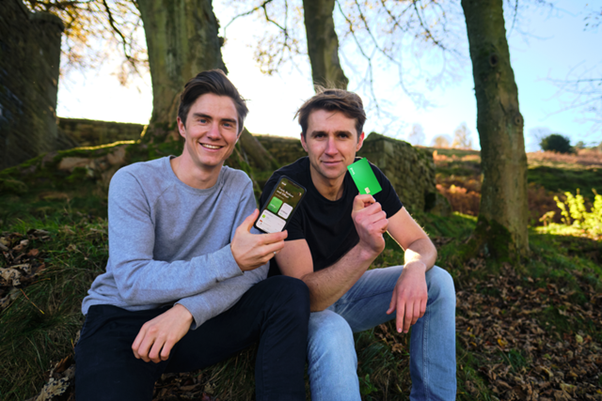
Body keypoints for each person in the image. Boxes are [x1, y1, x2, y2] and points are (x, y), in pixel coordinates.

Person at [75, 70, 310, 401]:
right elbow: (131, 281)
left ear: (238, 134)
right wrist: (228, 259)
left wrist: (187, 312)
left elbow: (253, 268)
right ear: (182, 126)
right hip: (123, 323)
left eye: (227, 124)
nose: (214, 133)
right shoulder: (134, 181)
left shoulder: (238, 184)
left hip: (196, 321)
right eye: (203, 120)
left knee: (288, 292)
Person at [260, 88, 456, 401]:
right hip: (295, 310)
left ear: (359, 140)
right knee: (334, 328)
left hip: (349, 291)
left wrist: (415, 266)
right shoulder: (286, 189)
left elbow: (419, 241)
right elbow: (304, 298)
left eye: (342, 136)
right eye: (320, 135)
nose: (331, 148)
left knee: (438, 281)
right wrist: (366, 250)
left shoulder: (363, 174)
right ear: (304, 141)